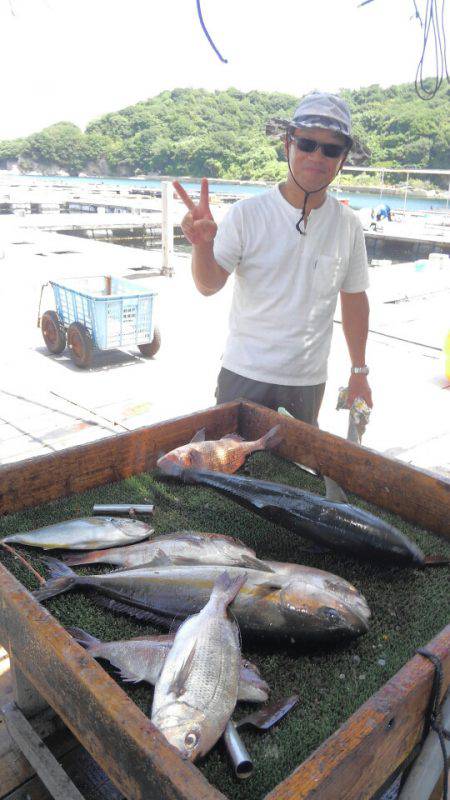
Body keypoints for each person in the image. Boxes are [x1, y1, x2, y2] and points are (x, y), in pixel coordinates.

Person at [173, 91, 372, 426]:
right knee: (229, 465)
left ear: (343, 158)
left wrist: (359, 372)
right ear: (287, 145)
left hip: (307, 383)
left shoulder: (348, 225)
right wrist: (202, 246)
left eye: (331, 148)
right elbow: (208, 285)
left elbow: (354, 299)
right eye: (307, 143)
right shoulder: (247, 214)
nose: (317, 156)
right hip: (244, 373)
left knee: (293, 475)